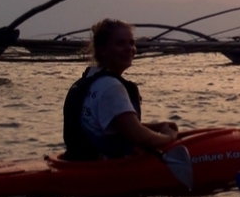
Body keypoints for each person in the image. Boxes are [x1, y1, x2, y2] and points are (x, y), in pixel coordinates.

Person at [62, 18, 179, 160]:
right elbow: (139, 136)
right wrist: (168, 137)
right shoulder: (111, 87)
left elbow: (115, 125)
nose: (129, 48)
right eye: (120, 43)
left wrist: (157, 127)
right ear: (102, 49)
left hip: (79, 161)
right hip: (103, 169)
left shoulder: (90, 81)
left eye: (131, 43)